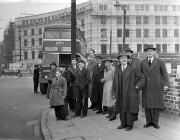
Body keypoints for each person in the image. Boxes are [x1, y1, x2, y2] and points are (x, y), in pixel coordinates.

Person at [113, 53, 145, 131]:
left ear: (128, 60)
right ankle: (123, 123)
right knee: (121, 108)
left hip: (130, 92)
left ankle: (129, 125)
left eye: (125, 58)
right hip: (120, 92)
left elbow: (142, 78)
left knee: (129, 108)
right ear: (119, 60)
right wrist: (114, 93)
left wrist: (137, 87)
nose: (124, 59)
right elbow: (114, 82)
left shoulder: (133, 68)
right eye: (122, 58)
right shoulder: (117, 69)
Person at [140, 45, 169, 129]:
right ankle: (148, 122)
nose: (149, 53)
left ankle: (155, 122)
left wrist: (166, 84)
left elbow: (165, 74)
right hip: (146, 87)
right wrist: (140, 85)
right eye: (148, 51)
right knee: (147, 105)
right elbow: (140, 75)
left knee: (156, 105)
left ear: (154, 52)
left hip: (157, 87)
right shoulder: (142, 62)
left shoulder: (160, 61)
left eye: (151, 51)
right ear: (146, 53)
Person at [125, 47, 140, 121]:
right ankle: (129, 115)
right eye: (126, 53)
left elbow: (139, 70)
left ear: (131, 53)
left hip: (134, 82)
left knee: (135, 100)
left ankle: (135, 115)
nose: (128, 54)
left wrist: (138, 81)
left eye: (129, 53)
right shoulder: (124, 60)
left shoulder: (136, 60)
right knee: (128, 100)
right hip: (127, 83)